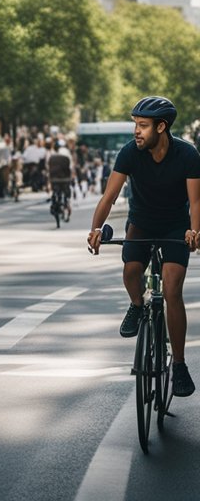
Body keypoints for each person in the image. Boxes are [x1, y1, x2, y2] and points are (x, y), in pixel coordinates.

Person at [88, 96, 200, 398]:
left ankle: (178, 366)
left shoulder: (187, 155)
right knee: (131, 271)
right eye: (135, 125)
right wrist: (96, 228)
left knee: (173, 289)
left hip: (176, 225)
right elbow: (109, 197)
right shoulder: (130, 153)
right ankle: (138, 306)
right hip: (142, 221)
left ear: (161, 127)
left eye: (143, 126)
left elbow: (196, 201)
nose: (136, 131)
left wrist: (194, 230)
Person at [47, 139, 75, 224]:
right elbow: (70, 167)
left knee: (55, 193)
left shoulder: (52, 156)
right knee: (67, 194)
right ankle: (67, 204)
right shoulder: (67, 156)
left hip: (54, 179)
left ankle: (55, 202)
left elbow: (49, 168)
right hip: (65, 178)